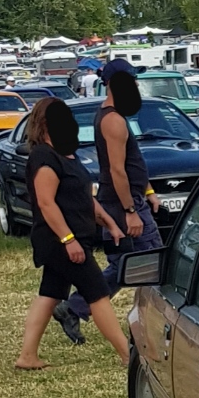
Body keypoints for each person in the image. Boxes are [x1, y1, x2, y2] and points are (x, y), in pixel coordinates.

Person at [53, 59, 163, 344]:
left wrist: (148, 191)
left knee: (130, 264)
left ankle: (75, 306)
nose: (136, 84)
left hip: (127, 200)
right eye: (131, 80)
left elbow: (132, 163)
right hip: (121, 204)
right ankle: (77, 307)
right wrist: (130, 211)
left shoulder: (115, 116)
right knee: (147, 262)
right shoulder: (112, 120)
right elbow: (117, 170)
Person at [15, 98, 129, 369]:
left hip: (76, 238)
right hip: (59, 241)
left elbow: (84, 197)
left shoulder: (68, 154)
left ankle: (27, 356)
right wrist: (68, 240)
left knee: (50, 293)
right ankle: (128, 354)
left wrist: (109, 223)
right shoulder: (44, 157)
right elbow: (46, 203)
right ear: (45, 123)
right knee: (97, 293)